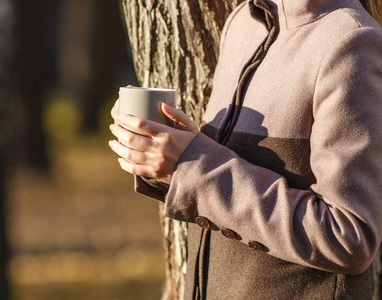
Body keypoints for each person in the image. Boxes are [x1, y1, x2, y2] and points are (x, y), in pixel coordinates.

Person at [109, 0, 382, 298]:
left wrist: (195, 166)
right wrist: (166, 157)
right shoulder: (243, 21)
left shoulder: (352, 41)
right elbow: (226, 189)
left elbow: (349, 237)